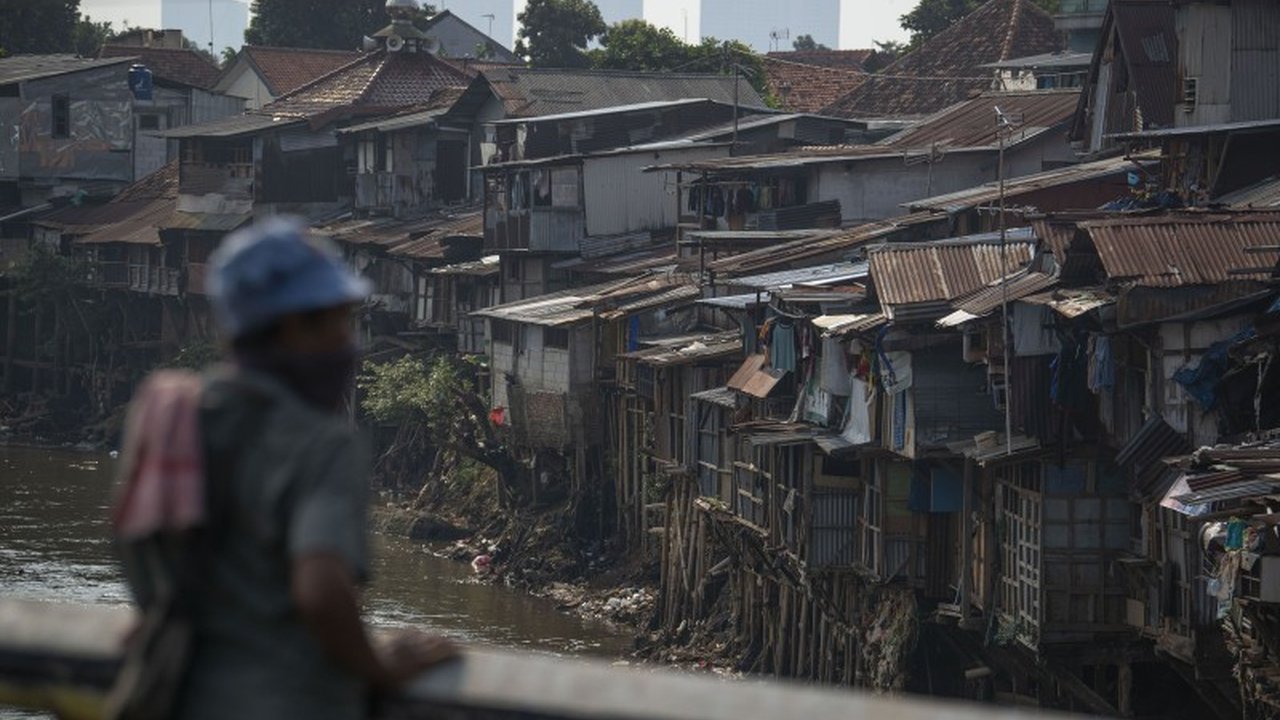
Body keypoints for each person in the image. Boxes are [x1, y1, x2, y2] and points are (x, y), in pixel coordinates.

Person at [112, 217, 454, 720]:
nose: (349, 344)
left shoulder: (166, 417)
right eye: (340, 323)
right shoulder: (321, 443)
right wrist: (377, 666)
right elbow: (319, 590)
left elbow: (139, 555)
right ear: (297, 326)